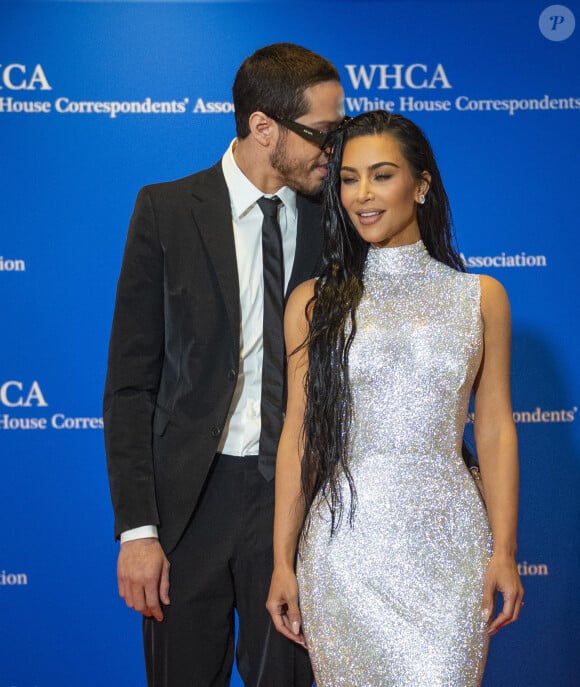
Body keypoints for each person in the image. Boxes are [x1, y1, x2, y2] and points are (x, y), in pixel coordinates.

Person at [103, 43, 344, 686]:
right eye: (323, 133)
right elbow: (130, 386)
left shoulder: (338, 222)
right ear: (264, 128)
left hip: (293, 500)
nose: (335, 150)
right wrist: (138, 531)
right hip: (186, 510)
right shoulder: (165, 210)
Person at [267, 111, 524, 686]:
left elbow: (496, 429)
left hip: (449, 549)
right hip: (343, 551)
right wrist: (283, 562)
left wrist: (504, 550)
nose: (362, 195)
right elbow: (300, 437)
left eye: (381, 175)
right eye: (349, 178)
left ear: (422, 185)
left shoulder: (480, 298)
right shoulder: (313, 302)